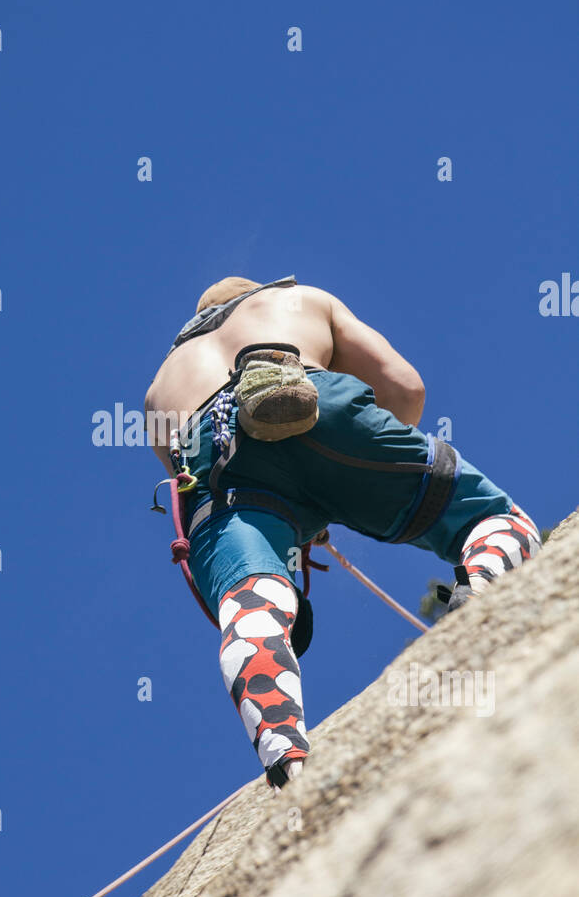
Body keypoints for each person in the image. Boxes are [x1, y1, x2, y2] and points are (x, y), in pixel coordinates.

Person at [144, 276, 541, 791]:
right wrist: (356, 475)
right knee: (492, 520)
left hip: (214, 459)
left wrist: (305, 515)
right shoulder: (299, 299)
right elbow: (406, 387)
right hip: (316, 402)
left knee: (251, 596)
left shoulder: (158, 390)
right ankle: (483, 590)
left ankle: (283, 748)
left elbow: (184, 484)